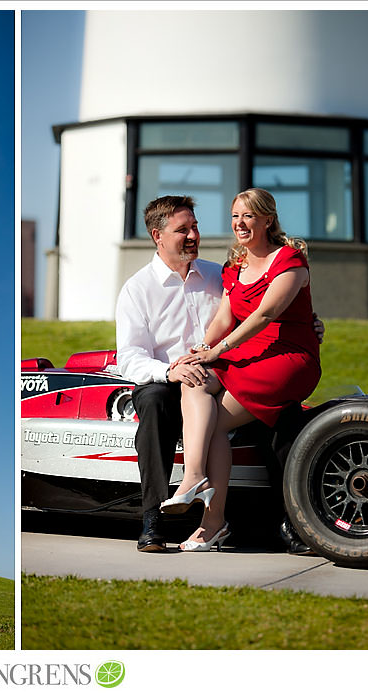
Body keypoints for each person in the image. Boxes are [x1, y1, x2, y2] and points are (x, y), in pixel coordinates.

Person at [116, 194, 322, 553]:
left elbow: (259, 313)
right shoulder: (138, 288)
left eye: (195, 227)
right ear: (157, 236)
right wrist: (172, 369)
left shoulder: (220, 272)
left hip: (229, 366)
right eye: (183, 230)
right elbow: (130, 357)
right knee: (152, 403)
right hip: (168, 378)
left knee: (284, 418)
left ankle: (289, 523)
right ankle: (152, 520)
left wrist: (308, 323)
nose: (194, 235)